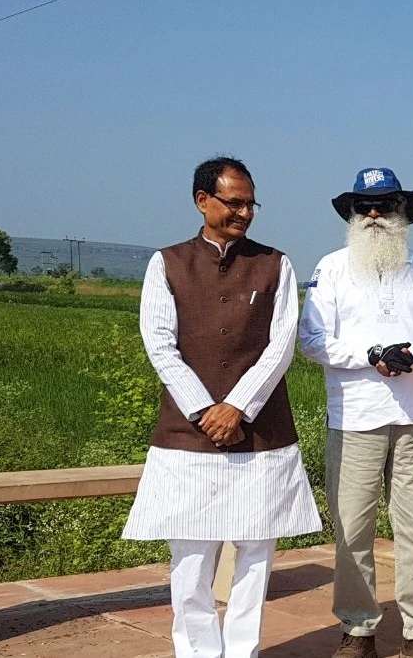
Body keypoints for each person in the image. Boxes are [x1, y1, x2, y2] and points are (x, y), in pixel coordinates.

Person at [122, 157, 322, 658]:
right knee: (190, 558)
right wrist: (204, 411)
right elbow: (159, 345)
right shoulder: (166, 262)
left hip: (261, 429)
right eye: (233, 202)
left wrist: (237, 407)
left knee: (255, 556)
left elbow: (281, 346)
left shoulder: (275, 263)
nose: (244, 212)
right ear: (202, 200)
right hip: (187, 434)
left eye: (250, 202)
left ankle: (243, 651)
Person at [299, 167, 413, 658]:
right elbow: (312, 339)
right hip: (352, 418)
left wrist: (412, 356)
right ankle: (358, 627)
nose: (374, 215)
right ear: (351, 213)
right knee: (353, 527)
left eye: (385, 205)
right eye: (364, 206)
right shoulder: (330, 269)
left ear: (402, 212)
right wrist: (370, 355)